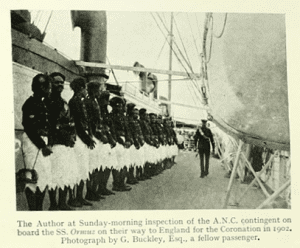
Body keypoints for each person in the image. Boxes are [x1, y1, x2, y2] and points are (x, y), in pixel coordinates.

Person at [21, 73, 53, 210]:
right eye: (48, 87)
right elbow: (29, 128)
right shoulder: (30, 103)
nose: (49, 90)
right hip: (33, 143)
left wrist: (49, 143)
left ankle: (39, 207)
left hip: (42, 142)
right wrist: (43, 145)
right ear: (41, 87)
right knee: (32, 177)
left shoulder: (43, 103)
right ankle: (33, 210)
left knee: (44, 176)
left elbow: (49, 126)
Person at [48, 72, 77, 210]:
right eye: (56, 82)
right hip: (54, 143)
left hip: (66, 144)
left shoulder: (64, 103)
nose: (59, 85)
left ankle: (62, 202)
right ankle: (53, 204)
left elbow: (71, 122)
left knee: (65, 173)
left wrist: (72, 136)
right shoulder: (47, 101)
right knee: (54, 176)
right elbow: (52, 125)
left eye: (61, 83)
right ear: (50, 84)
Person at [69, 77, 95, 206]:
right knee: (77, 169)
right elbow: (78, 124)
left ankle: (79, 196)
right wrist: (87, 139)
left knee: (83, 168)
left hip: (83, 138)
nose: (86, 90)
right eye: (84, 88)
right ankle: (73, 198)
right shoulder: (74, 102)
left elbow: (86, 122)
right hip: (79, 138)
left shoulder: (81, 101)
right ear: (80, 88)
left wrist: (89, 136)